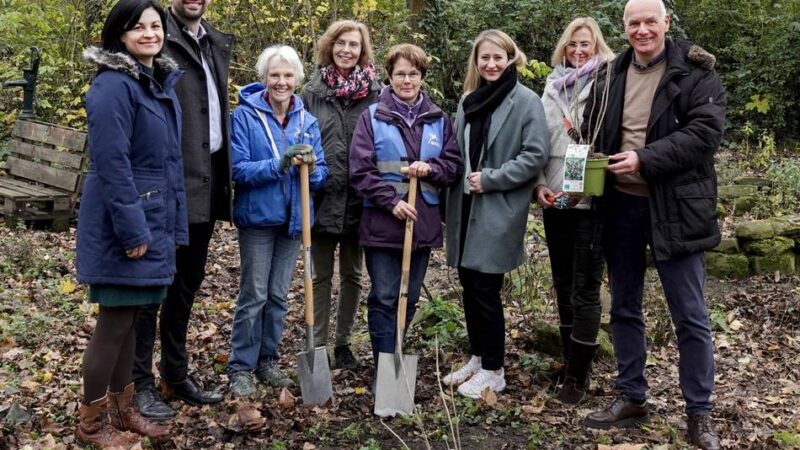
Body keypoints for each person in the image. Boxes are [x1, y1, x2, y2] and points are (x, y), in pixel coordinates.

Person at [580, 1, 725, 449]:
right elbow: (593, 130)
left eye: (650, 21)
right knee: (624, 306)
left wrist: (645, 158)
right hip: (620, 207)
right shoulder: (609, 75)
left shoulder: (695, 72)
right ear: (623, 28)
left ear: (665, 23)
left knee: (690, 314)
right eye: (633, 23)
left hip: (676, 209)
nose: (642, 30)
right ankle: (632, 396)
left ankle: (699, 414)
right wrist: (579, 170)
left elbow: (705, 134)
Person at [75, 0, 184, 445]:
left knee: (130, 320)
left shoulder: (153, 83)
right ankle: (90, 426)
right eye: (137, 26)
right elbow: (112, 164)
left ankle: (122, 412)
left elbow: (166, 162)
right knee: (114, 324)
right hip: (125, 224)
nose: (149, 33)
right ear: (120, 34)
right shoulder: (113, 87)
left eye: (155, 25)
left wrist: (167, 227)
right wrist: (134, 229)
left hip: (152, 217)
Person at [133, 0, 233, 419]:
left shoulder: (213, 42)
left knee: (185, 286)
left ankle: (175, 371)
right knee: (151, 289)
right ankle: (137, 383)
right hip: (167, 186)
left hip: (206, 182)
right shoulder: (158, 38)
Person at [442, 30, 549, 398]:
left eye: (498, 57)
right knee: (468, 285)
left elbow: (534, 156)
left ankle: (494, 370)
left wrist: (492, 179)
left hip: (496, 206)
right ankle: (478, 355)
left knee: (486, 288)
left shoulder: (526, 101)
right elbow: (456, 151)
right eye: (484, 58)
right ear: (476, 60)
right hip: (465, 205)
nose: (491, 64)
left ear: (510, 58)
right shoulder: (469, 100)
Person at [349, 43, 462, 368]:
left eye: (413, 74)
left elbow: (453, 165)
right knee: (384, 297)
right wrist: (391, 202)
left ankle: (397, 357)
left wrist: (432, 169)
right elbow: (360, 170)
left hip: (421, 223)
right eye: (400, 74)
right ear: (390, 76)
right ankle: (386, 367)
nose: (407, 80)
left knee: (409, 298)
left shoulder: (438, 119)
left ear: (422, 77)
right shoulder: (372, 117)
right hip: (383, 224)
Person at [226, 45, 328, 397]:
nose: (281, 82)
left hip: (293, 220)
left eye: (288, 76)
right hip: (258, 218)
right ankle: (241, 365)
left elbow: (321, 176)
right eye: (275, 75)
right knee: (253, 294)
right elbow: (238, 170)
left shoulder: (307, 121)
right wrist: (279, 164)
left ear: (297, 79)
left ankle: (268, 360)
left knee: (279, 296)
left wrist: (311, 169)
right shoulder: (245, 116)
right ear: (264, 79)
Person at [534, 17, 615, 405]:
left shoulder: (608, 84)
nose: (578, 51)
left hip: (589, 201)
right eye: (572, 45)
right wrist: (540, 186)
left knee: (585, 286)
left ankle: (578, 378)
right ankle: (569, 363)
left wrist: (579, 189)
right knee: (562, 281)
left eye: (586, 44)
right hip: (554, 198)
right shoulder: (551, 89)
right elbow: (538, 142)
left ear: (597, 46)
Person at [301, 20, 381, 369]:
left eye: (354, 45)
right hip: (321, 197)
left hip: (361, 199)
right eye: (341, 43)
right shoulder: (311, 92)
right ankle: (316, 345)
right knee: (319, 275)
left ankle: (343, 344)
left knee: (351, 274)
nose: (347, 50)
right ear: (329, 46)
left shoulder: (377, 93)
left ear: (363, 51)